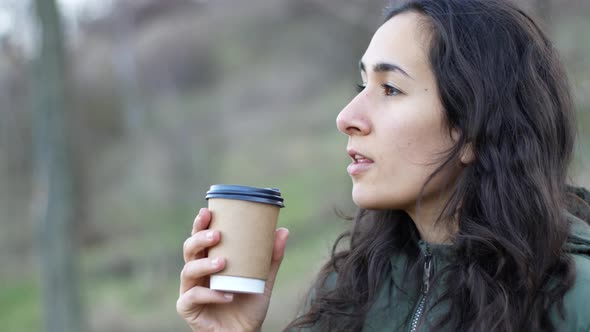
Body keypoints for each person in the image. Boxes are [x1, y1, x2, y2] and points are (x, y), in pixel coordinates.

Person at [176, 0, 590, 330]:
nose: (347, 117)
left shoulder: (574, 304)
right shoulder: (349, 292)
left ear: (473, 130)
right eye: (362, 85)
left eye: (390, 88)